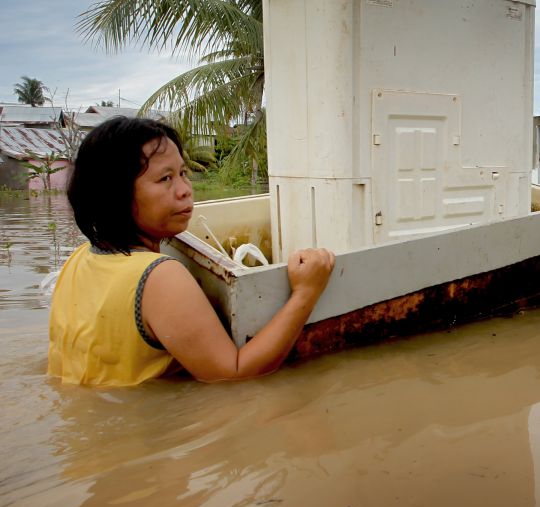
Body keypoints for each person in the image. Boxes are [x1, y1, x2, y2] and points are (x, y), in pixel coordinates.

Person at [48, 117, 334, 386]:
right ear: (115, 195)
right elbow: (233, 375)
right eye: (165, 179)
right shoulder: (159, 276)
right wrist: (305, 293)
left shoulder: (80, 257)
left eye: (183, 173)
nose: (185, 189)